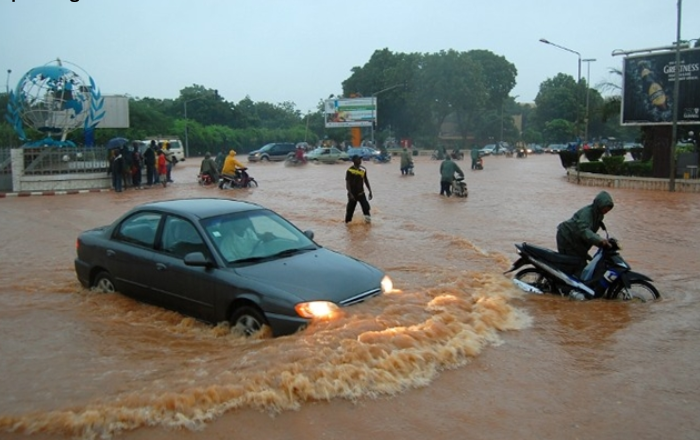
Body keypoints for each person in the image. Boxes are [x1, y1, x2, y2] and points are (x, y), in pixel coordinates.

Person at [556, 190, 615, 275]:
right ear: (600, 204)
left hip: (576, 241)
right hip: (567, 238)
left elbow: (590, 233)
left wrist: (603, 242)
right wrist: (599, 240)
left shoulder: (598, 215)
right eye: (605, 207)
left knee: (582, 263)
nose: (607, 210)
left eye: (608, 209)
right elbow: (584, 231)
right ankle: (563, 286)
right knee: (571, 264)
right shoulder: (587, 213)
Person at [345, 155, 373, 224]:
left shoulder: (363, 169)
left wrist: (370, 191)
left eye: (360, 159)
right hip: (353, 195)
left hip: (361, 193)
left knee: (366, 208)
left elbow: (366, 180)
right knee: (350, 211)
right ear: (354, 161)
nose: (360, 160)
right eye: (358, 159)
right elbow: (348, 183)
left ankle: (368, 225)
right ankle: (347, 224)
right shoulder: (350, 170)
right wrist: (350, 193)